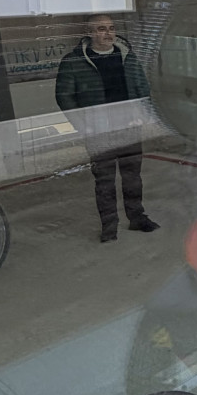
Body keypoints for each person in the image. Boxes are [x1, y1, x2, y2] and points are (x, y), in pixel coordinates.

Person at [56, 14, 158, 242]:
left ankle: (137, 218)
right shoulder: (74, 62)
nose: (108, 33)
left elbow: (143, 88)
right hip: (99, 132)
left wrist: (141, 116)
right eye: (101, 29)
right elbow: (65, 97)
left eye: (111, 28)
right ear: (89, 33)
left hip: (129, 128)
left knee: (132, 177)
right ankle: (109, 227)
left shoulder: (127, 57)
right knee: (104, 181)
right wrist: (84, 127)